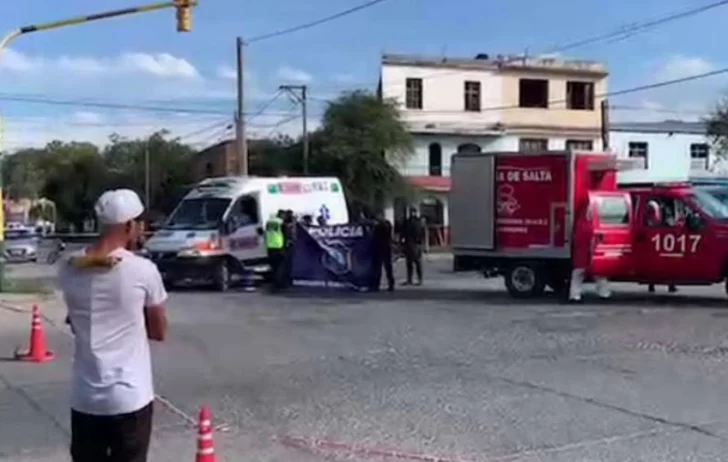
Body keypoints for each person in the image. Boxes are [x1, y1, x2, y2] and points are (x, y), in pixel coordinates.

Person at [59, 189, 168, 462]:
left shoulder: (69, 266)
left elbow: (75, 322)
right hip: (129, 397)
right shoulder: (142, 270)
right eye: (140, 223)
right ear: (130, 225)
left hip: (85, 398)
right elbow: (159, 331)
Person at [569, 200, 611, 302]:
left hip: (580, 255)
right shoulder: (589, 225)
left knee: (578, 275)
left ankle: (575, 295)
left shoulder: (579, 224)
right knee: (598, 274)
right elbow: (592, 240)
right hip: (588, 254)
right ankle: (604, 293)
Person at [371, 212, 395, 291]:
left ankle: (389, 284)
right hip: (381, 247)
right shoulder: (383, 224)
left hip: (383, 247)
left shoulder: (384, 224)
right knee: (379, 268)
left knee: (386, 267)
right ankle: (377, 284)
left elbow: (386, 232)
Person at [401, 207, 424, 286]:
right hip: (410, 244)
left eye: (412, 212)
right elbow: (403, 232)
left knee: (416, 262)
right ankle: (410, 279)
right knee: (410, 262)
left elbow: (421, 233)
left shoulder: (417, 222)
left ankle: (418, 279)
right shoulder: (409, 221)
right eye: (411, 212)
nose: (412, 213)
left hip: (415, 244)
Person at [265, 210, 286, 290]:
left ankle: (274, 283)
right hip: (278, 246)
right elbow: (285, 233)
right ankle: (279, 284)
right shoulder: (281, 222)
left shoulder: (269, 222)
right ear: (281, 215)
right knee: (280, 267)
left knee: (273, 266)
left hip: (270, 246)